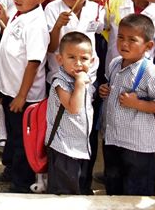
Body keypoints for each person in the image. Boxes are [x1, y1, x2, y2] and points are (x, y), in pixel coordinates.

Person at [0, 0, 50, 193]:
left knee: (23, 142)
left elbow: (33, 63)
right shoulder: (20, 15)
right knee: (14, 137)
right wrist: (4, 20)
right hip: (10, 91)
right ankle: (11, 171)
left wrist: (22, 96)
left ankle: (21, 183)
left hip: (23, 97)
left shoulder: (36, 24)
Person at [99, 13, 155, 196]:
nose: (124, 43)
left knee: (137, 190)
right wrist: (105, 89)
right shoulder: (115, 63)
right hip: (113, 138)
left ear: (148, 46)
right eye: (121, 37)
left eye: (132, 40)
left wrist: (136, 103)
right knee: (114, 186)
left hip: (137, 144)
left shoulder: (150, 72)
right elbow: (112, 85)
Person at [45, 31, 95, 195]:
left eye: (84, 58)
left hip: (80, 146)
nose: (78, 63)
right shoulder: (61, 82)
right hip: (63, 148)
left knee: (76, 189)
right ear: (60, 59)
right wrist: (80, 84)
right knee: (63, 193)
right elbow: (73, 108)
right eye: (71, 57)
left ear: (92, 61)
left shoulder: (84, 80)